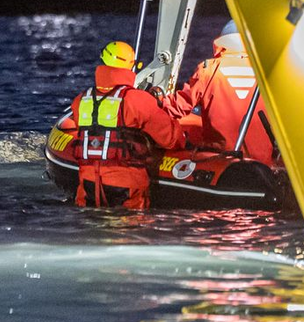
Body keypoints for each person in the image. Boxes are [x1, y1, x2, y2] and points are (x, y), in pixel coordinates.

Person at [72, 40, 184, 210]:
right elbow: (170, 139)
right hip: (126, 185)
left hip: (88, 185)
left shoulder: (81, 100)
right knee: (129, 233)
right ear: (131, 67)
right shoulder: (138, 100)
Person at [166, 20, 276, 165]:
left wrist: (156, 103)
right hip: (261, 162)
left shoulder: (208, 70)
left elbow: (178, 107)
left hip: (219, 159)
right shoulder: (270, 73)